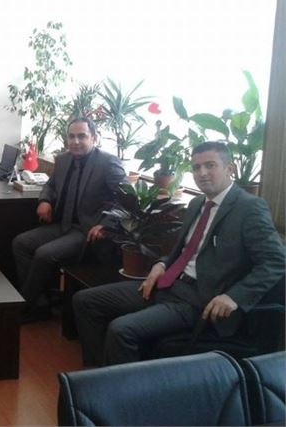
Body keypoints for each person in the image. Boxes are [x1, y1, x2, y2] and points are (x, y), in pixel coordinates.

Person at [73, 141, 285, 366]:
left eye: (210, 165)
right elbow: (185, 251)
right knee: (85, 301)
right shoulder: (196, 203)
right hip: (168, 284)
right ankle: (96, 374)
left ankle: (122, 386)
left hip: (198, 299)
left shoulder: (249, 208)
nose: (202, 173)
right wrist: (162, 264)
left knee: (121, 329)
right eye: (196, 167)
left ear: (229, 169)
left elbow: (276, 261)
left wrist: (235, 296)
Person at [12, 117, 126, 322]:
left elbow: (128, 200)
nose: (75, 141)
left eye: (82, 136)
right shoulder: (63, 159)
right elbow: (50, 185)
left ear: (94, 138)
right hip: (63, 224)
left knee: (44, 254)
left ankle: (24, 308)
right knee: (21, 243)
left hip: (87, 230)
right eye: (71, 137)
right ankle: (39, 304)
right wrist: (45, 200)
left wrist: (105, 225)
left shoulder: (108, 162)